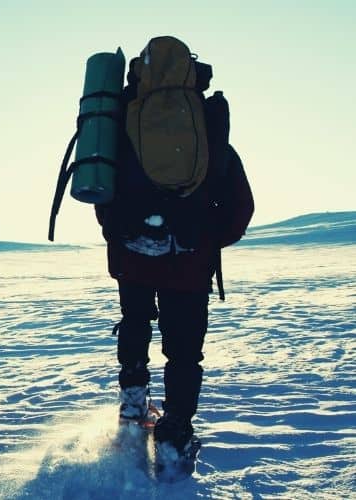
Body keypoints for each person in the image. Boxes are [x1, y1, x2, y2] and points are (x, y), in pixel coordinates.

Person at [93, 37, 254, 458]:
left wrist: (123, 236)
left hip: (133, 255)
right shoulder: (207, 122)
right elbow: (240, 205)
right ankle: (176, 430)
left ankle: (132, 404)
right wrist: (205, 240)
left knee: (135, 321)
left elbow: (102, 191)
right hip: (190, 260)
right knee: (184, 350)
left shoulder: (122, 121)